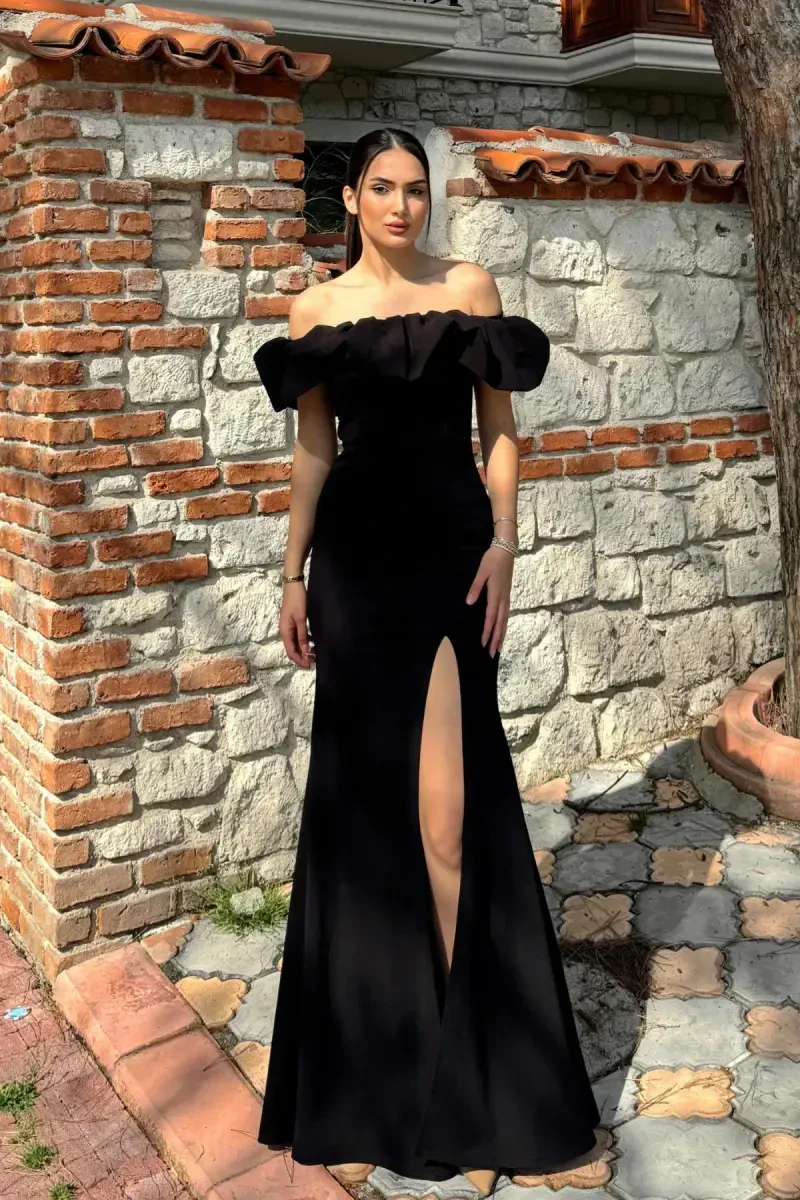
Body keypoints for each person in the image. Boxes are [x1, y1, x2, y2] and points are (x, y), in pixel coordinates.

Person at [253, 127, 600, 1196]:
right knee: (362, 821)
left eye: (416, 189)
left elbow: (499, 431)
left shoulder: (468, 287)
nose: (402, 206)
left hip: (450, 561)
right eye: (383, 188)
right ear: (350, 198)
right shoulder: (315, 310)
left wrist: (504, 544)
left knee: (448, 820)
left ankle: (475, 1087)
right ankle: (374, 1084)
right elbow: (314, 447)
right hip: (354, 570)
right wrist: (291, 573)